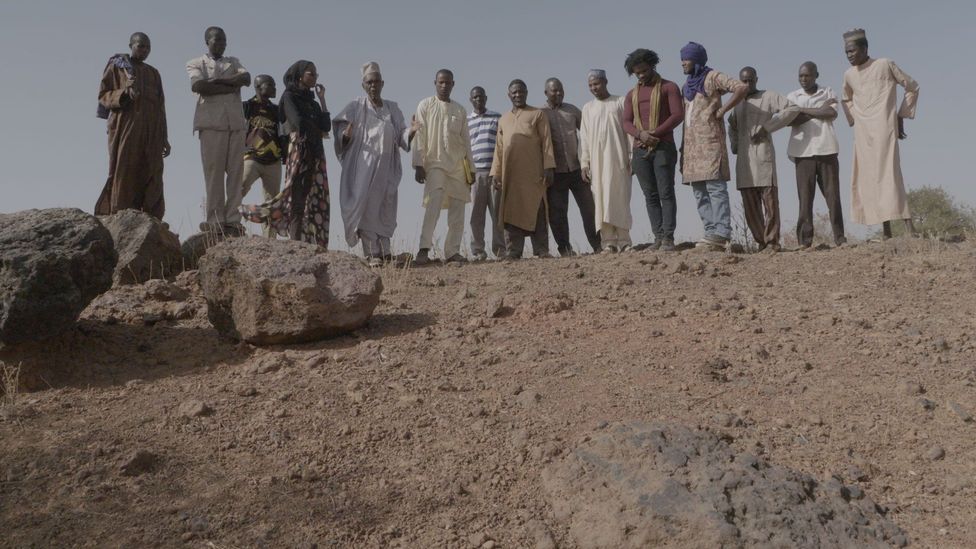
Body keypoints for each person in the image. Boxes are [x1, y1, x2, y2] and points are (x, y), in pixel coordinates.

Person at [333, 62, 419, 266]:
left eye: (376, 82)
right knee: (368, 207)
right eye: (369, 82)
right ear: (364, 85)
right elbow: (340, 131)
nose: (373, 86)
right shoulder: (355, 106)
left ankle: (386, 252)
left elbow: (401, 134)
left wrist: (412, 132)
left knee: (386, 206)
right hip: (364, 167)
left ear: (382, 83)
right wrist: (345, 136)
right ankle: (372, 253)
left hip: (388, 167)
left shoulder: (392, 107)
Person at [241, 60, 331, 247]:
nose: (314, 77)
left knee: (310, 198)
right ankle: (293, 241)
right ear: (299, 75)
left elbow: (326, 126)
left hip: (314, 151)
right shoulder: (289, 97)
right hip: (299, 150)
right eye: (310, 73)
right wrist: (314, 128)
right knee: (295, 197)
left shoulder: (313, 103)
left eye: (316, 74)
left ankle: (304, 242)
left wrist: (322, 99)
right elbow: (298, 122)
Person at [841, 28, 919, 238]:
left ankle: (910, 228)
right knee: (870, 179)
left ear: (865, 48)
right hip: (863, 135)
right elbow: (845, 98)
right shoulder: (849, 75)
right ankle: (886, 231)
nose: (849, 55)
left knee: (891, 174)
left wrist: (900, 116)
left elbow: (912, 86)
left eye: (852, 51)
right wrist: (854, 119)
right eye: (846, 52)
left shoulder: (884, 64)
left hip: (885, 129)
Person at [678, 42, 748, 251]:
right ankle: (710, 232)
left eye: (686, 59)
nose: (683, 63)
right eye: (681, 59)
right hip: (692, 147)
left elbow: (741, 87)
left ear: (697, 60)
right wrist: (683, 149)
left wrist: (723, 109)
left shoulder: (712, 77)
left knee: (715, 188)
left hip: (710, 142)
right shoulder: (687, 86)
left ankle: (722, 232)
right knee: (699, 190)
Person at [95, 32, 170, 220]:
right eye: (140, 46)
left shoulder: (154, 73)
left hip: (152, 131)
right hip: (125, 127)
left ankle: (151, 218)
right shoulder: (118, 67)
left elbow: (160, 107)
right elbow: (104, 96)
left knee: (153, 171)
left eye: (147, 47)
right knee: (124, 170)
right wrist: (125, 93)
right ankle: (119, 215)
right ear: (131, 45)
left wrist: (164, 137)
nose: (144, 50)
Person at [186, 26, 251, 234]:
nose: (221, 44)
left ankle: (233, 218)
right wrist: (231, 87)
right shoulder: (196, 63)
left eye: (224, 41)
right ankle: (214, 220)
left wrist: (218, 81)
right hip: (211, 123)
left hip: (235, 123)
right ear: (207, 41)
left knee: (235, 172)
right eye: (217, 41)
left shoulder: (234, 61)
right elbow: (198, 86)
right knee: (213, 174)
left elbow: (246, 79)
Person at [728, 67, 798, 252]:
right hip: (744, 161)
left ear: (756, 79)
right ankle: (761, 242)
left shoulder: (768, 96)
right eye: (743, 81)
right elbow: (731, 124)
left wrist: (768, 127)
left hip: (763, 156)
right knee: (750, 206)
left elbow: (792, 108)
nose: (747, 84)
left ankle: (772, 242)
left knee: (770, 203)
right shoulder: (737, 102)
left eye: (750, 80)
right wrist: (734, 145)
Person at [621, 48, 684, 251]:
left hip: (663, 147)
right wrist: (641, 135)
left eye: (644, 71)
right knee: (650, 195)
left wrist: (654, 133)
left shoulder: (669, 87)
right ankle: (657, 237)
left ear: (653, 66)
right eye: (637, 73)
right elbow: (626, 122)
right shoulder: (632, 94)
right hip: (640, 150)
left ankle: (668, 238)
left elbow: (677, 115)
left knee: (666, 192)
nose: (641, 75)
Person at [412, 69, 473, 265]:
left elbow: (466, 141)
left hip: (457, 165)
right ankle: (423, 249)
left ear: (453, 84)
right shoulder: (425, 105)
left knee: (458, 207)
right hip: (434, 163)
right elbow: (419, 136)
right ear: (435, 83)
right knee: (433, 205)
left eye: (448, 83)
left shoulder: (460, 110)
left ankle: (453, 251)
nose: (444, 86)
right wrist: (418, 164)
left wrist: (470, 168)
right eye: (441, 82)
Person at [491, 79, 556, 260]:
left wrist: (549, 166)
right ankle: (513, 251)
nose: (518, 95)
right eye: (514, 92)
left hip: (534, 173)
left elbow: (546, 141)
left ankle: (542, 249)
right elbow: (499, 148)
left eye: (521, 92)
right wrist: (496, 173)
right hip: (511, 175)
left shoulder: (537, 114)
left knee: (538, 208)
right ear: (509, 95)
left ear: (526, 92)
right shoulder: (503, 119)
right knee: (511, 211)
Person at [786, 61, 846, 247]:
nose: (803, 79)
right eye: (801, 76)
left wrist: (801, 110)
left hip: (826, 149)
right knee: (805, 198)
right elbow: (789, 119)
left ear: (816, 75)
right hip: (802, 152)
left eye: (807, 75)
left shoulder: (828, 92)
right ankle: (805, 241)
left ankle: (839, 237)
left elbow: (830, 112)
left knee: (833, 196)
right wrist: (817, 111)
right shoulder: (792, 96)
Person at [543, 78, 600, 256]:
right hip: (555, 172)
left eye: (561, 90)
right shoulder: (540, 113)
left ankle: (598, 245)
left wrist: (588, 161)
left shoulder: (572, 110)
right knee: (558, 214)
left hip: (577, 169)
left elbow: (588, 131)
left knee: (589, 209)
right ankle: (565, 249)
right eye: (554, 91)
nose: (558, 93)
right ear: (546, 93)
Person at [580, 70, 633, 252]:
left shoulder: (620, 102)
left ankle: (624, 240)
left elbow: (629, 132)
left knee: (620, 197)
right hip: (597, 163)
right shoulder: (587, 108)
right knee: (601, 200)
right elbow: (584, 138)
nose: (594, 88)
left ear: (605, 82)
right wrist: (584, 163)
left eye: (597, 84)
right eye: (590, 85)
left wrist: (631, 156)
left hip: (618, 159)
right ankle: (608, 242)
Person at [241, 75, 283, 237]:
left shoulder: (276, 110)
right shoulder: (247, 106)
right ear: (258, 87)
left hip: (273, 161)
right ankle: (228, 223)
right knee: (238, 188)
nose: (274, 88)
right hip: (252, 157)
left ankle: (269, 239)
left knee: (272, 203)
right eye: (270, 85)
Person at [467, 86, 503, 261]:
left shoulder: (496, 117)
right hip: (475, 174)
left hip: (494, 172)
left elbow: (501, 145)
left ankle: (500, 250)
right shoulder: (465, 121)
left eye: (481, 96)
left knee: (497, 213)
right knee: (476, 215)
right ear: (470, 100)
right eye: (475, 97)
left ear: (486, 98)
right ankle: (478, 251)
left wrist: (498, 171)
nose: (478, 99)